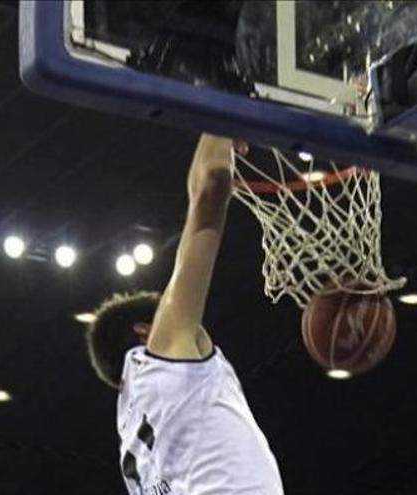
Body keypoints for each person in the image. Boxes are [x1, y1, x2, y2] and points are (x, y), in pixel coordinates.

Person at [84, 134, 284, 495]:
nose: (192, 322)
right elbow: (209, 191)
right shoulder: (161, 359)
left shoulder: (130, 427)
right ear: (147, 331)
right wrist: (219, 113)